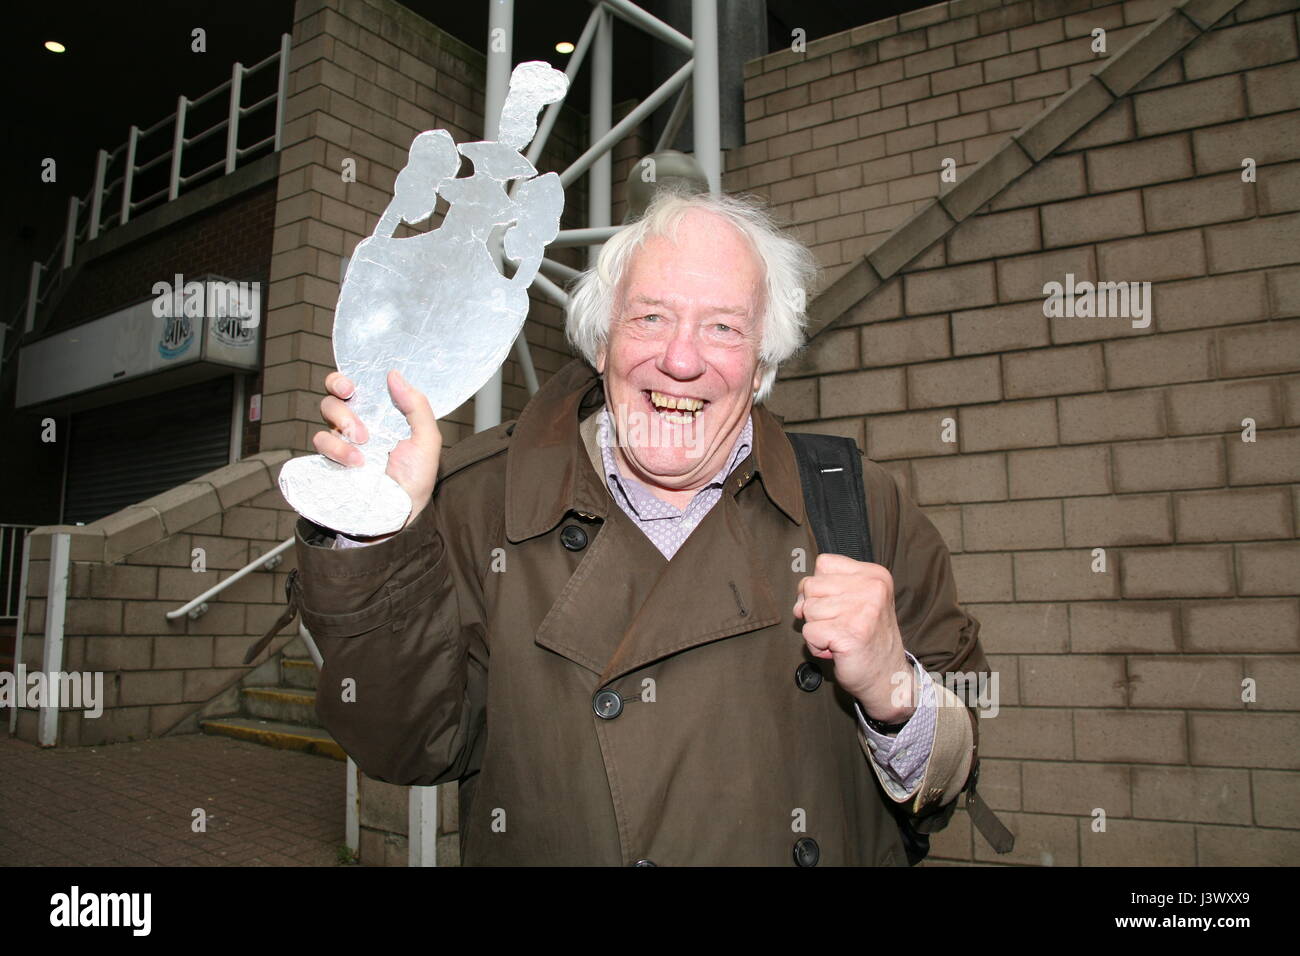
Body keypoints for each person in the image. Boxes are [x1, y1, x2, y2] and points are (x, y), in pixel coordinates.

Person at [289, 187, 992, 866]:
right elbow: (410, 745)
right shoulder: (481, 505)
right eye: (651, 318)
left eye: (722, 327)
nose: (681, 360)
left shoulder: (861, 504)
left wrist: (892, 691)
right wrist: (377, 535)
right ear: (601, 344)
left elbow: (951, 774)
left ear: (761, 366)